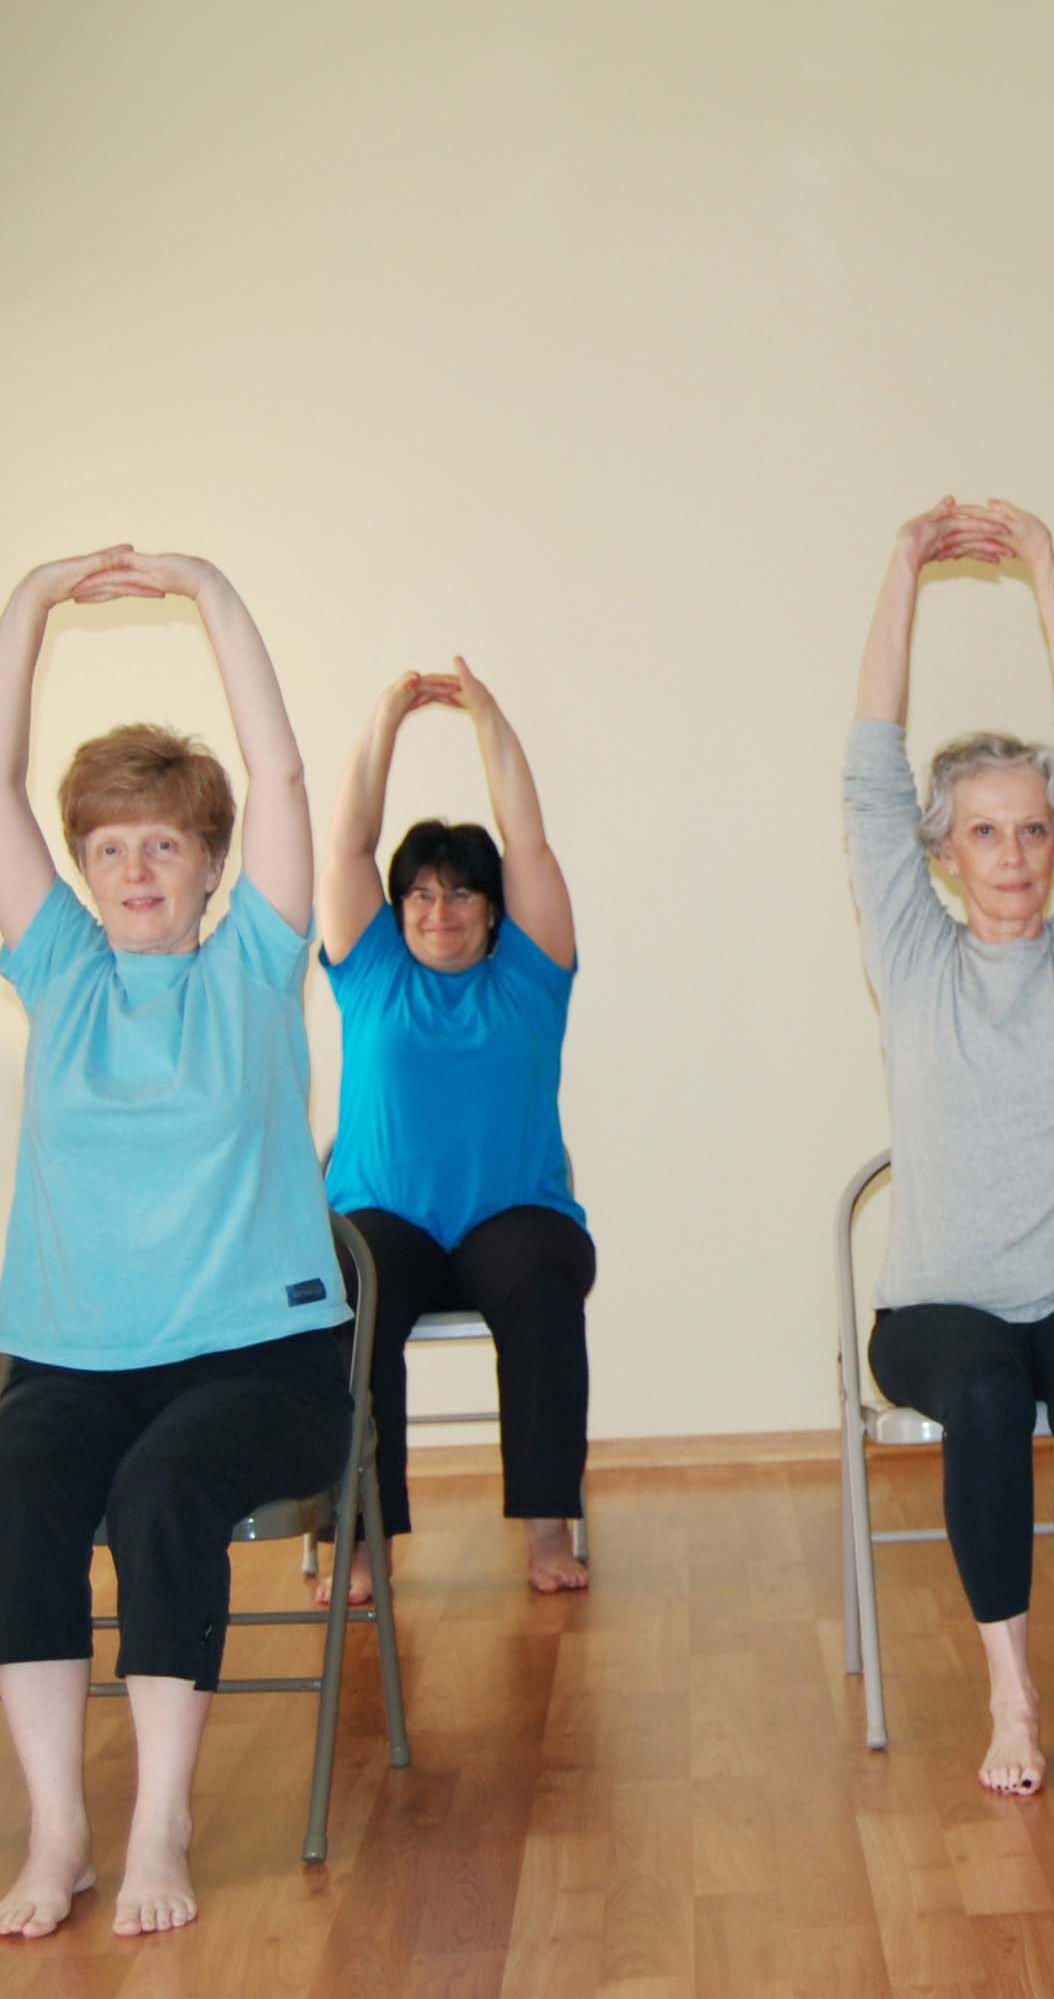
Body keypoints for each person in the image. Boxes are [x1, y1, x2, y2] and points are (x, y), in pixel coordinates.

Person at [0, 547, 353, 1939]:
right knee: (11, 1487)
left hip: (263, 1359)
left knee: (166, 1493)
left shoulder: (253, 968)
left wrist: (212, 597)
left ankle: (161, 1818)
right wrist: (31, 605)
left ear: (209, 865)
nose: (135, 868)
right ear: (81, 868)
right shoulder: (59, 973)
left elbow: (288, 780)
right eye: (110, 845)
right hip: (72, 1359)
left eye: (164, 844)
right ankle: (59, 1829)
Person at [846, 496, 1054, 1796]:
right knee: (986, 1394)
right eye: (985, 829)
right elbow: (868, 765)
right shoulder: (916, 955)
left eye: (1034, 828)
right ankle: (1010, 1693)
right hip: (940, 1305)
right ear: (942, 850)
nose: (1015, 852)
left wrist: (1048, 563)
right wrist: (902, 568)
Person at [319, 656, 592, 1600]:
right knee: (352, 1291)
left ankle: (549, 1528)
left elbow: (531, 846)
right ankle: (361, 1541)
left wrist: (487, 717)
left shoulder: (529, 976)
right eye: (423, 894)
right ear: (400, 911)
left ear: (491, 910)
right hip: (384, 1215)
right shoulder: (371, 973)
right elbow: (349, 848)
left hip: (510, 1216)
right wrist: (387, 718)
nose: (441, 910)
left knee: (543, 1277)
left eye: (462, 893)